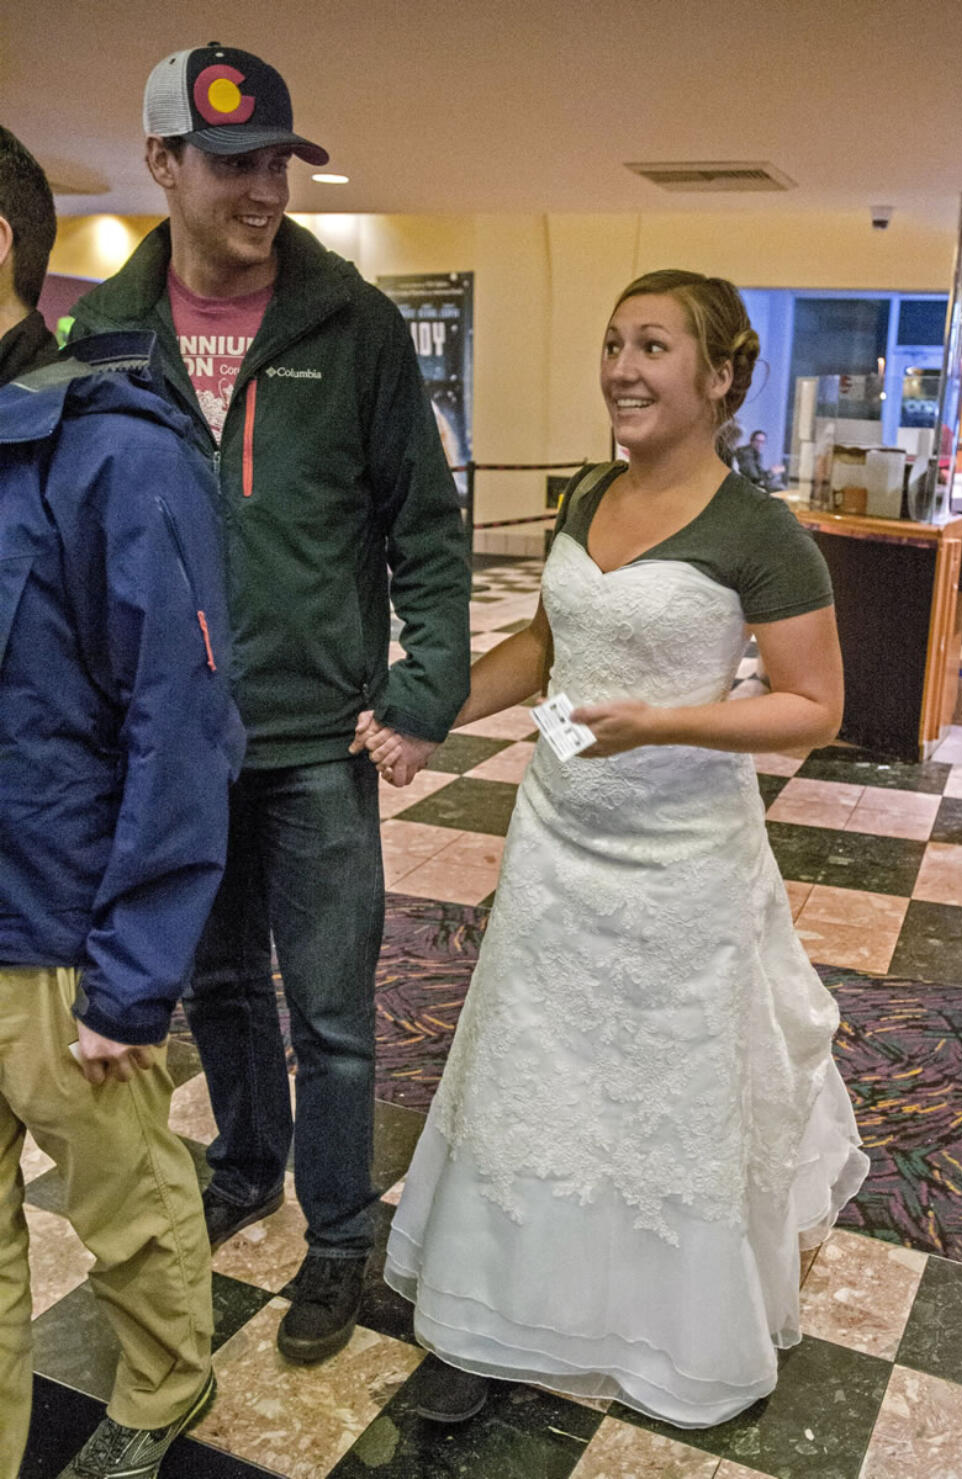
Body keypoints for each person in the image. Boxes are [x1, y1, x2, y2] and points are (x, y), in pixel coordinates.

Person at [379, 269, 868, 1428]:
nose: (620, 368)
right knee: (531, 1070)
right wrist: (434, 710)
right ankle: (490, 1316)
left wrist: (667, 723)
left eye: (651, 346)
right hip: (558, 833)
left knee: (655, 1088)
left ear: (717, 376)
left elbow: (812, 707)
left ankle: (662, 1324)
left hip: (683, 858)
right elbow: (553, 652)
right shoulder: (583, 492)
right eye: (611, 344)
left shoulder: (759, 532)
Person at [70, 43, 471, 1365]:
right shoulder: (106, 334)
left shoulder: (347, 323)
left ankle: (342, 1233)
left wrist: (423, 687)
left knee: (336, 1008)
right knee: (219, 983)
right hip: (171, 745)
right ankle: (244, 1163)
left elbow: (426, 521)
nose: (262, 189)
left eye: (277, 164)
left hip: (312, 737)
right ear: (161, 165)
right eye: (233, 162)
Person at [0, 127, 243, 1479]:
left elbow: (182, 725)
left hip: (60, 934)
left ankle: (162, 1391)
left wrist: (132, 981)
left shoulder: (114, 451)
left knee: (128, 1208)